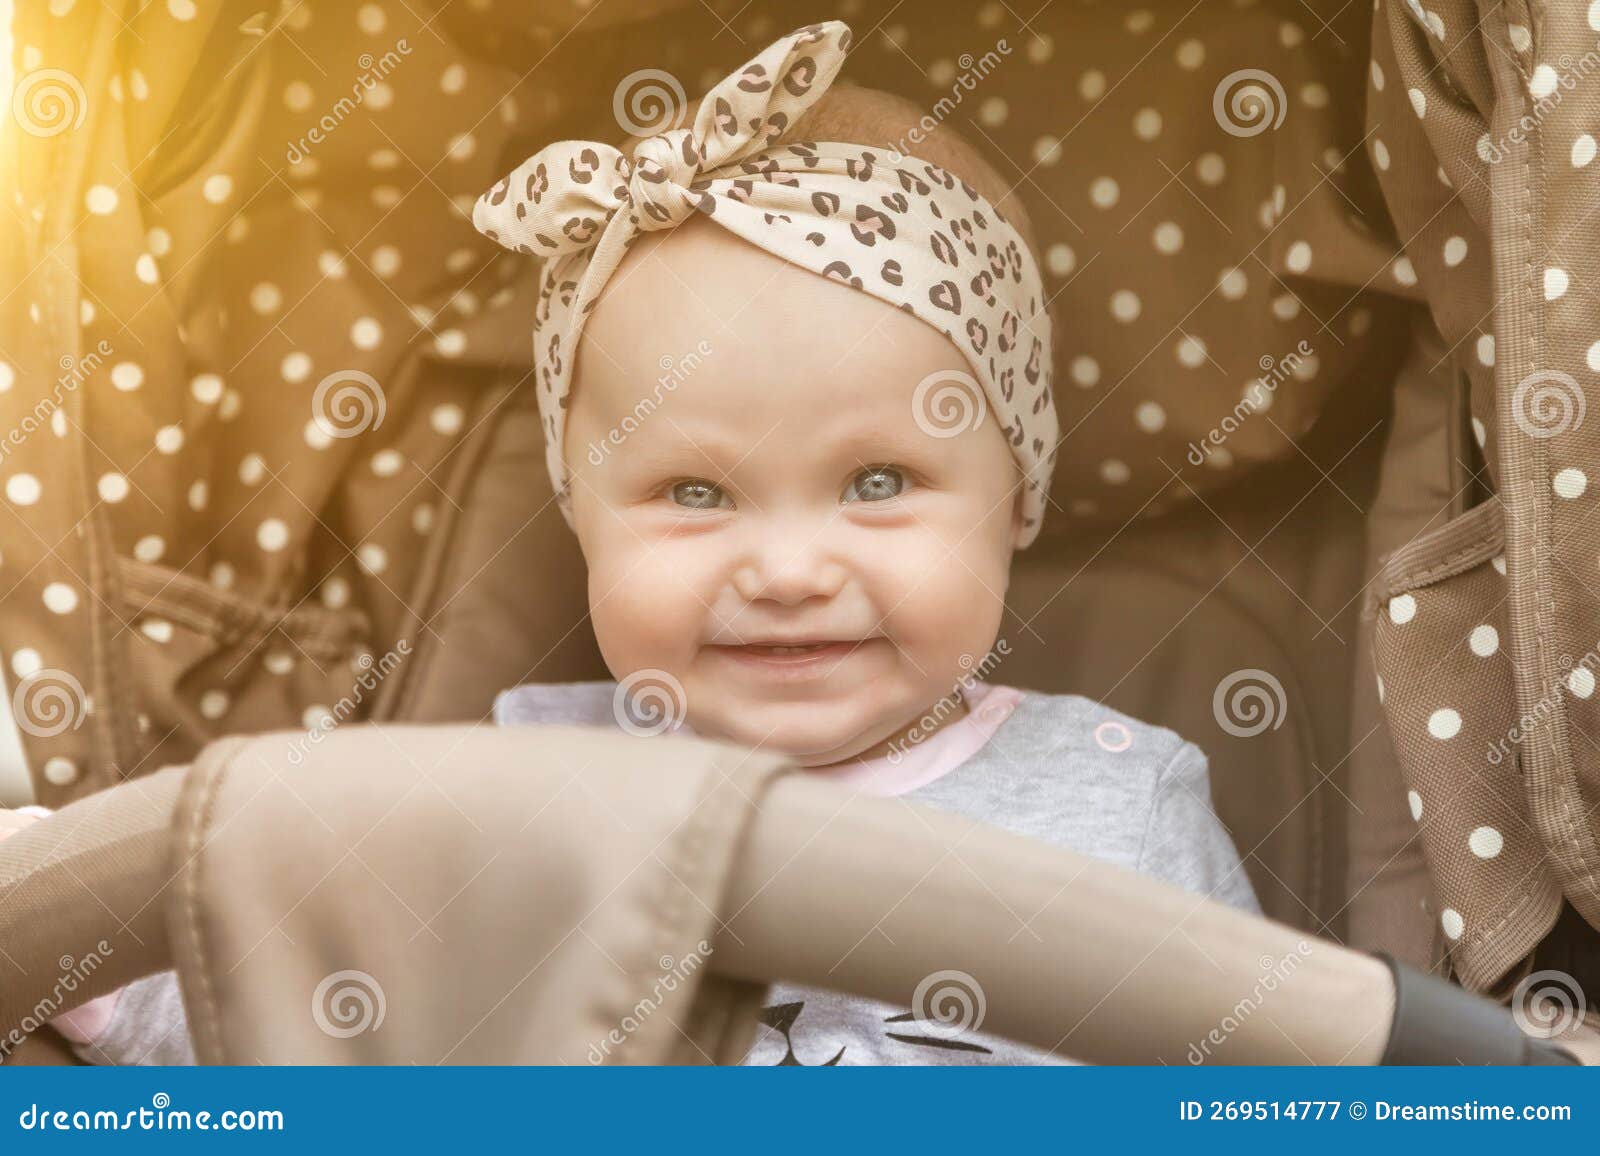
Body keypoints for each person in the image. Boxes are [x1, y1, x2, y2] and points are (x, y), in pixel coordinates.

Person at [0, 21, 1256, 1067]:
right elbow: (311, 1039)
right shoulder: (513, 789)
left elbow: (1277, 1089)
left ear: (1018, 492)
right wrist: (93, 951)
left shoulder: (1118, 801)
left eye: (878, 481)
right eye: (695, 492)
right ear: (581, 516)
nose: (784, 568)